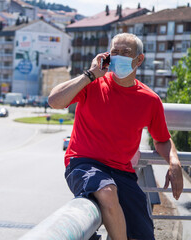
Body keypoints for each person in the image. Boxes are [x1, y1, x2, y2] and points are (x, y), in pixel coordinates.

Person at [48, 33, 183, 240]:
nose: (119, 57)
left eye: (126, 53)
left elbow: (162, 139)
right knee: (107, 192)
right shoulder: (92, 84)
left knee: (144, 235)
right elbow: (54, 101)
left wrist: (174, 162)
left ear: (139, 59)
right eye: (115, 52)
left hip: (122, 172)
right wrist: (90, 74)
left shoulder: (149, 100)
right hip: (84, 164)